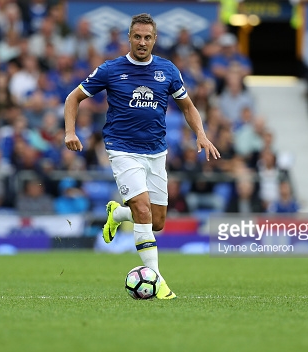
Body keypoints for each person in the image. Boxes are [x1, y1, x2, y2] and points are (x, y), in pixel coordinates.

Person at [64, 13, 220, 299]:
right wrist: (70, 132)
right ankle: (158, 282)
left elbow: (187, 106)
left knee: (157, 222)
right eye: (137, 36)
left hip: (156, 152)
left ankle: (118, 213)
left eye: (148, 37)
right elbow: (73, 97)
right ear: (129, 37)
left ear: (155, 39)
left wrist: (201, 133)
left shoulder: (168, 70)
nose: (142, 42)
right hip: (122, 149)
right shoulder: (111, 69)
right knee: (145, 211)